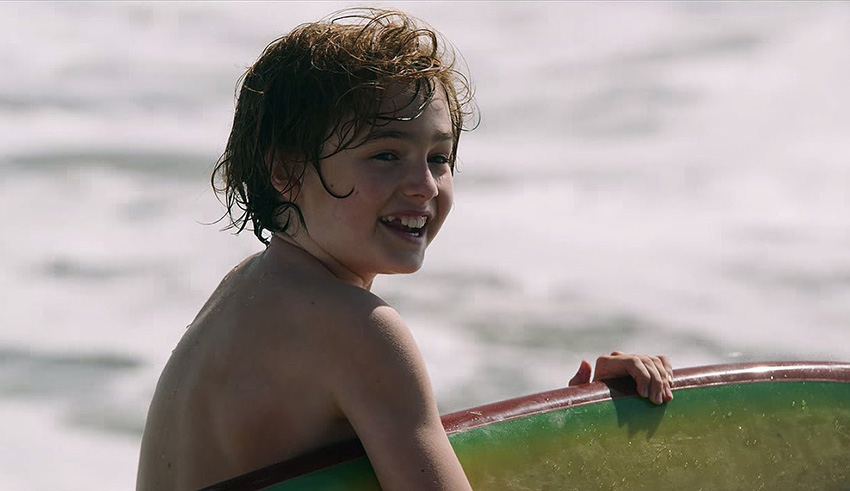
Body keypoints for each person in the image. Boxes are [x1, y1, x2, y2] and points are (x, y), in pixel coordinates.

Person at [136, 8, 674, 490]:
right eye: (386, 156)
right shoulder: (360, 330)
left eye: (438, 157)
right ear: (286, 172)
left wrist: (568, 415)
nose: (424, 185)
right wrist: (587, 460)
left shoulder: (247, 291)